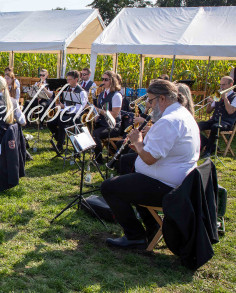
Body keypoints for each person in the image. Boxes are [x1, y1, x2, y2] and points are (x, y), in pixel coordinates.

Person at [101, 80, 199, 249]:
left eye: (151, 101)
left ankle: (135, 236)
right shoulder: (181, 113)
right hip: (176, 178)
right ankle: (152, 224)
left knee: (109, 187)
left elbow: (149, 159)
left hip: (168, 186)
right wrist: (142, 144)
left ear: (162, 99)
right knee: (128, 166)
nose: (150, 106)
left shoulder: (169, 120)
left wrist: (138, 143)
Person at [47, 70, 88, 152]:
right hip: (66, 113)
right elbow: (66, 103)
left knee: (62, 121)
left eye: (70, 79)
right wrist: (60, 107)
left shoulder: (82, 92)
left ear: (76, 79)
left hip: (76, 115)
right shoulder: (67, 89)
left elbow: (78, 108)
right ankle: (60, 140)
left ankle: (60, 146)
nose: (67, 81)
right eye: (67, 79)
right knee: (50, 122)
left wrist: (64, 106)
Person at [198, 76, 236, 158]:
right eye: (220, 85)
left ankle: (208, 150)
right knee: (196, 126)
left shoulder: (235, 97)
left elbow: (230, 111)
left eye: (224, 85)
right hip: (214, 120)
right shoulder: (218, 94)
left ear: (231, 85)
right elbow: (208, 111)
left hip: (226, 122)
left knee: (215, 127)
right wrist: (209, 103)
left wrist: (225, 98)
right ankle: (208, 144)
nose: (221, 87)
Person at [91, 70, 123, 163]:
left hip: (113, 126)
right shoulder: (101, 94)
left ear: (112, 81)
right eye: (102, 79)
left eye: (106, 80)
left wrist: (99, 111)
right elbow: (99, 110)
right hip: (102, 123)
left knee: (95, 134)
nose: (103, 82)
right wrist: (95, 115)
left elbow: (114, 114)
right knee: (87, 128)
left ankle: (98, 159)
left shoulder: (116, 95)